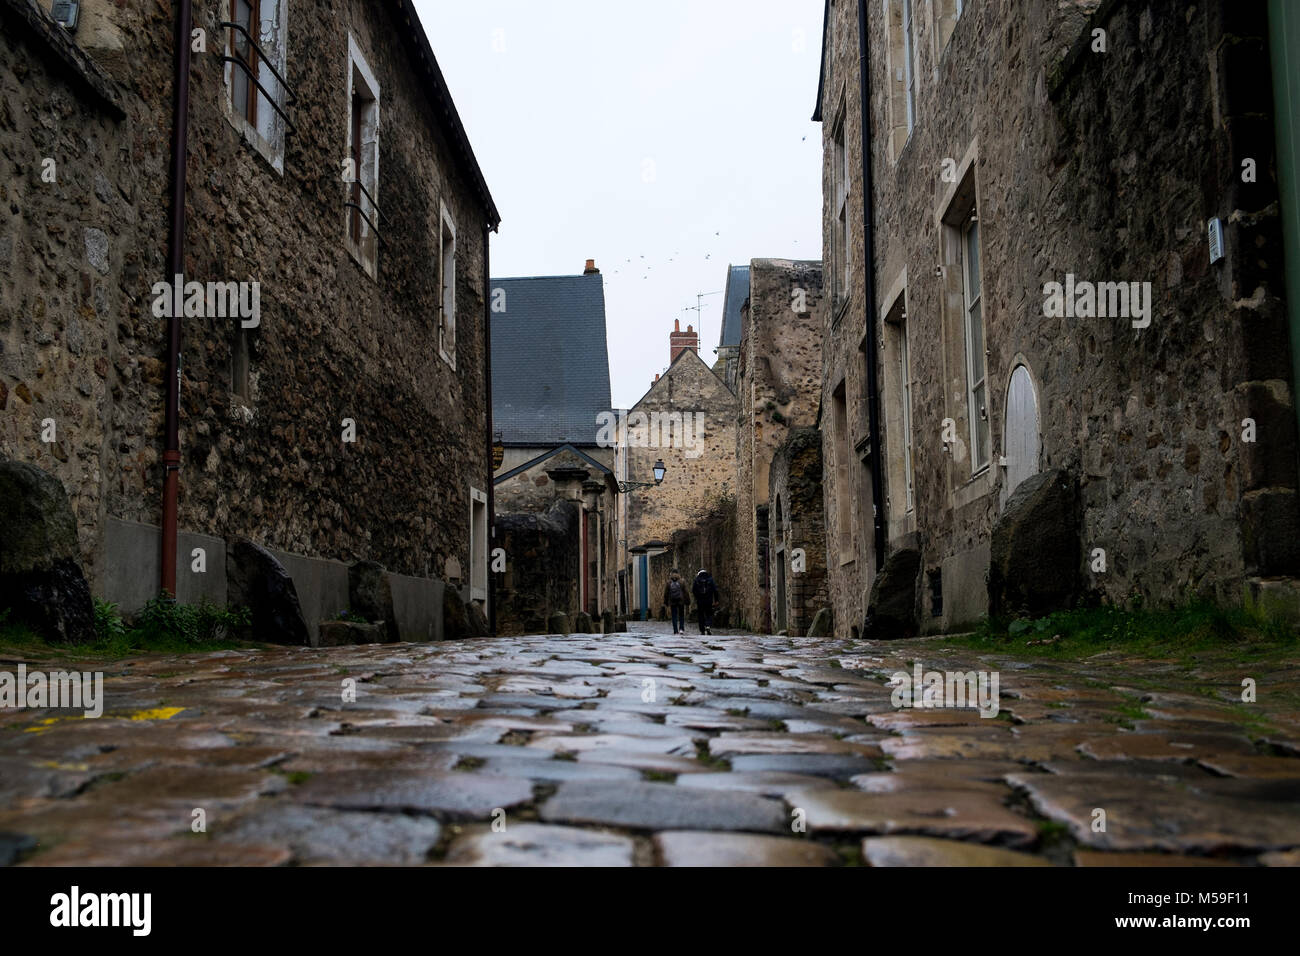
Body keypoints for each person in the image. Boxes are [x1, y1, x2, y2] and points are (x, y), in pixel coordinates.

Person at [692, 568, 719, 635]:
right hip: (708, 600)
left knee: (700, 615)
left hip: (700, 601)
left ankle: (702, 630)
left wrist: (697, 598)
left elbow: (693, 590)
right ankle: (708, 625)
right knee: (709, 614)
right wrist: (716, 600)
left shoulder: (697, 580)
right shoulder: (710, 579)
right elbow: (715, 590)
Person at [662, 569, 688, 635]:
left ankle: (675, 630)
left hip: (672, 601)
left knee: (674, 616)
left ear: (671, 574)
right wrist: (687, 600)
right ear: (678, 574)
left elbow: (666, 593)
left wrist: (665, 602)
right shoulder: (682, 581)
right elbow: (686, 592)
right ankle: (681, 629)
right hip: (681, 601)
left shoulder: (669, 582)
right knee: (681, 615)